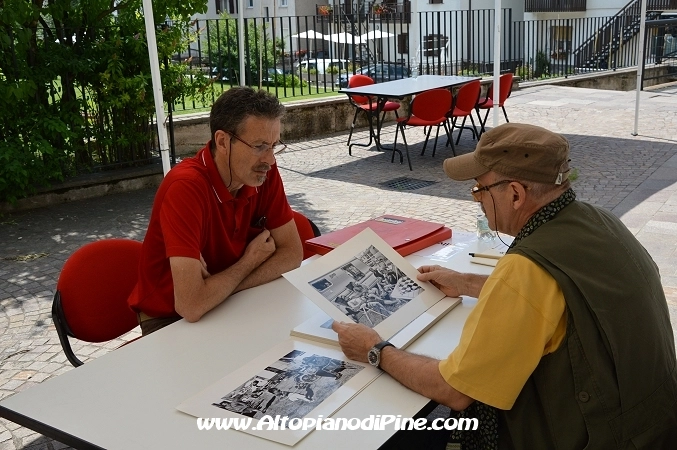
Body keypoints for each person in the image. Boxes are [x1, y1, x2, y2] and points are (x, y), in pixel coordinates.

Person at [332, 123, 677, 449]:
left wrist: (375, 350)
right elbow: (560, 297)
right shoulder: (598, 220)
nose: (476, 200)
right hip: (649, 427)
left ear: (515, 194)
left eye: (479, 189)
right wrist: (466, 282)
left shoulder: (526, 270)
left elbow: (455, 391)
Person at [128, 87, 303, 335]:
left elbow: (292, 253)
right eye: (260, 146)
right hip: (169, 319)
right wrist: (250, 261)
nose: (270, 160)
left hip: (228, 301)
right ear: (222, 142)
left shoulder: (263, 173)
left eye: (274, 145)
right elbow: (190, 305)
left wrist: (218, 287)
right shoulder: (185, 187)